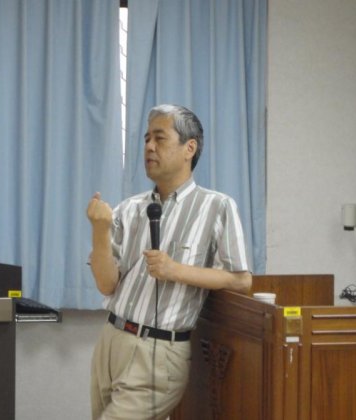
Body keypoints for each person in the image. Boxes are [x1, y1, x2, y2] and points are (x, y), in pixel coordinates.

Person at [86, 104, 251, 420]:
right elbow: (106, 284)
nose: (149, 146)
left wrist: (176, 270)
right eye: (147, 139)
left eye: (159, 138)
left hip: (159, 349)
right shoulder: (129, 208)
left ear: (189, 148)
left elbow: (242, 280)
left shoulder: (217, 206)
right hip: (111, 339)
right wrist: (100, 230)